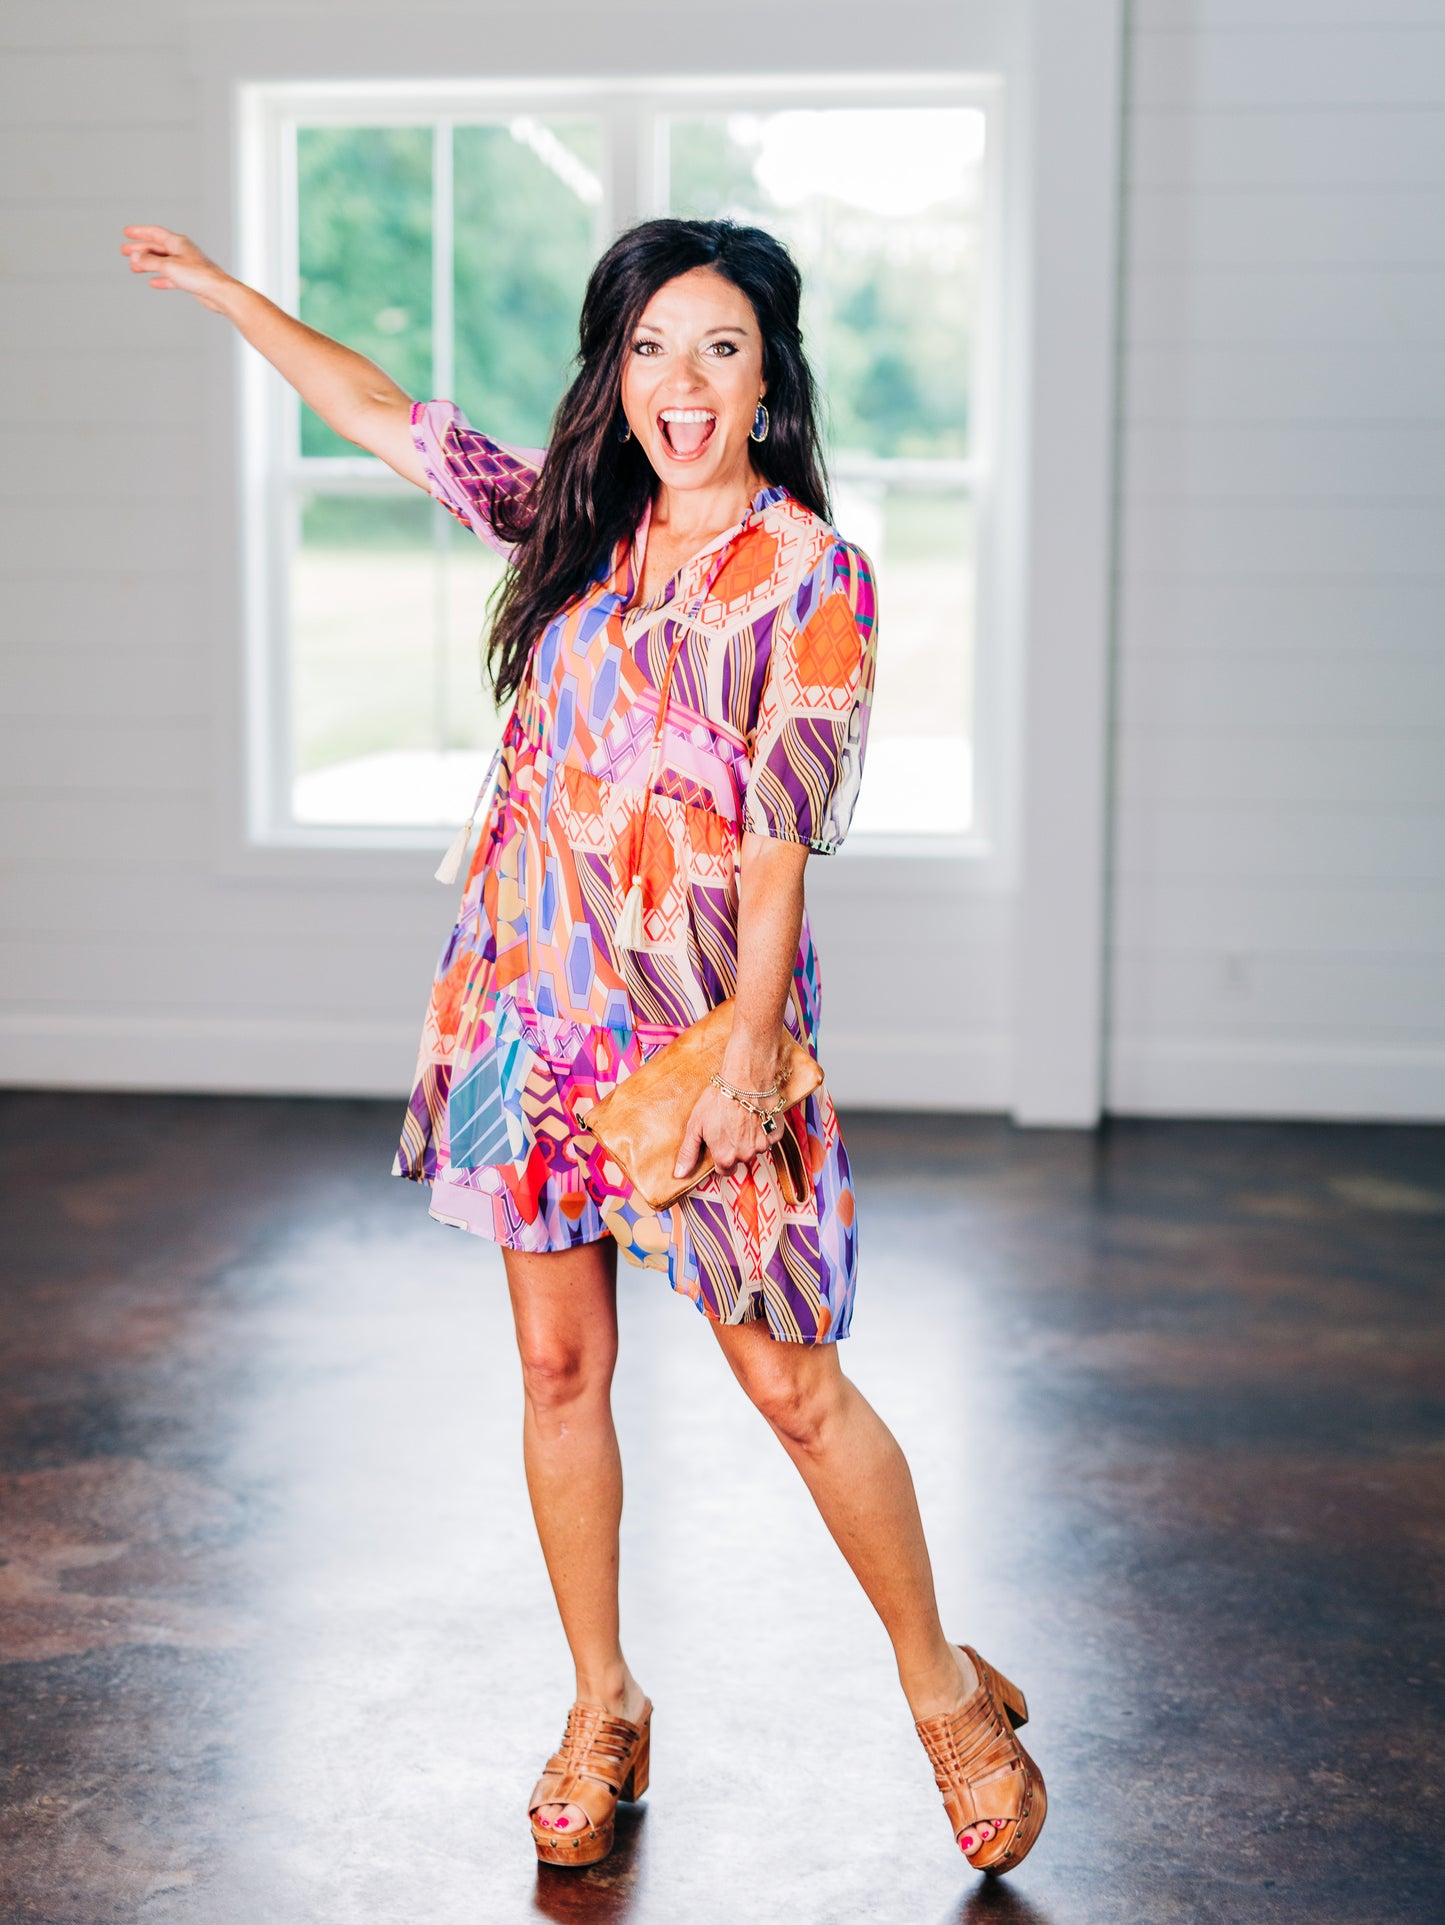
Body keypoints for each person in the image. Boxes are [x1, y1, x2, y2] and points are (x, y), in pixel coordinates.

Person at [120, 214, 1046, 1876]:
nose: (680, 383)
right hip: (519, 1012)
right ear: (613, 372)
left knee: (789, 1382)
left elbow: (779, 836)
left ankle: (944, 1689)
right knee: (557, 1370)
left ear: (766, 379)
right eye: (647, 348)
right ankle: (601, 1699)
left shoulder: (811, 576)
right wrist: (220, 289)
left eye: (717, 348)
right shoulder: (570, 522)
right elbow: (380, 411)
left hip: (696, 1035)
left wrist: (749, 1053)